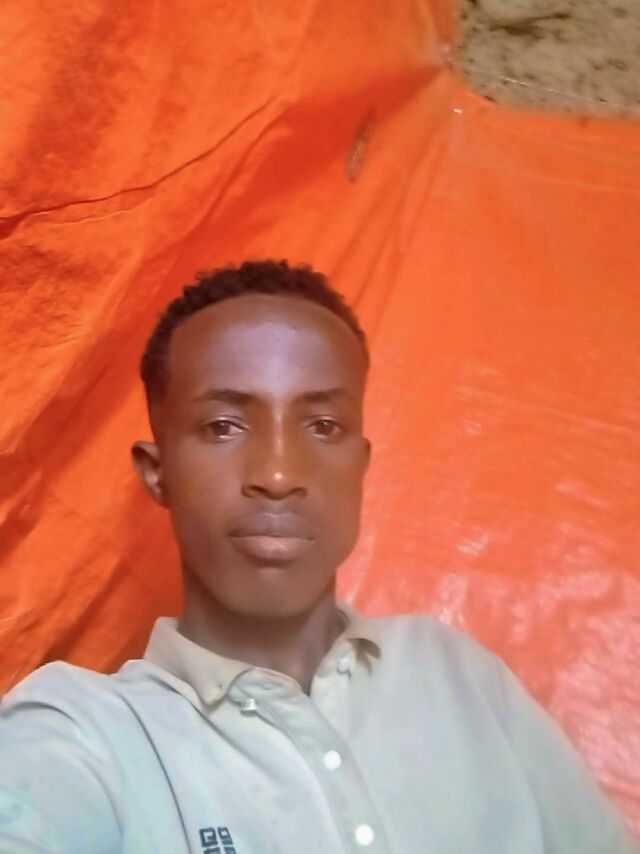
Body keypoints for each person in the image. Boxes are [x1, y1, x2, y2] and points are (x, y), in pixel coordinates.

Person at [0, 260, 636, 854]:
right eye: (223, 426)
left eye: (324, 426)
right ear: (156, 471)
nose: (278, 475)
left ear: (362, 465)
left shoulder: (459, 676)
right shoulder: (83, 735)